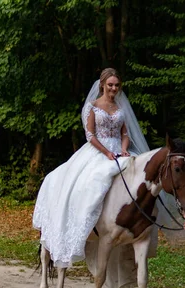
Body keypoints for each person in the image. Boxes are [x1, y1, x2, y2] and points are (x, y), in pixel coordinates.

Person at [32, 68, 150, 269]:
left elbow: (125, 133)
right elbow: (90, 135)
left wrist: (123, 150)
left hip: (118, 151)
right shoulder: (92, 107)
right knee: (92, 180)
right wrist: (106, 152)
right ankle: (84, 219)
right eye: (110, 84)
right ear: (102, 84)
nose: (114, 88)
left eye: (117, 85)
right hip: (97, 151)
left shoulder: (120, 108)